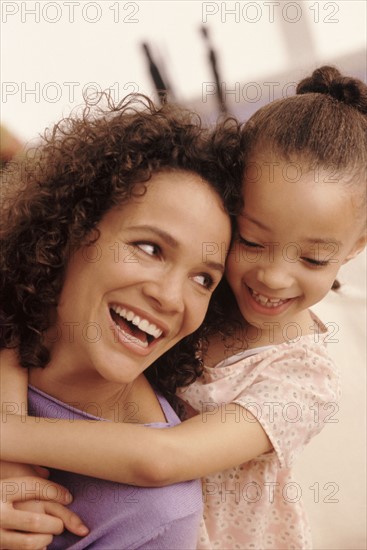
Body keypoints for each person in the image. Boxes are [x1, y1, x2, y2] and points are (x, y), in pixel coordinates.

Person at [2, 65, 367, 549]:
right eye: (253, 242)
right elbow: (19, 313)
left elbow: (160, 459)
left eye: (314, 258)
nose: (273, 277)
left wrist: (8, 435)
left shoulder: (301, 380)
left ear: (357, 245)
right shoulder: (206, 293)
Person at [0, 93, 240, 549]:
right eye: (150, 249)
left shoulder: (156, 516)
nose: (170, 297)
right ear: (72, 228)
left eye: (204, 279)